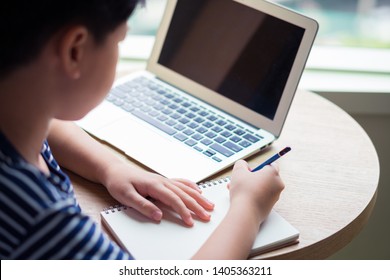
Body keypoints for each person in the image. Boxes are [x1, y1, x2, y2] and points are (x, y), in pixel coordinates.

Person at [0, 0, 285, 260]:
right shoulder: (41, 222)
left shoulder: (17, 115)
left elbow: (49, 126)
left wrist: (110, 167)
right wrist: (249, 208)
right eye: (120, 40)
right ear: (75, 51)